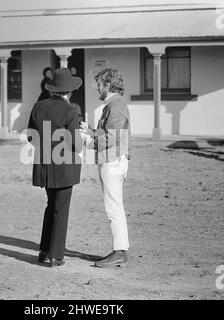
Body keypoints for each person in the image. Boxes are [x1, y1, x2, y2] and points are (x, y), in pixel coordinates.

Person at [27, 68, 83, 267]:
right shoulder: (71, 110)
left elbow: (30, 136)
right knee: (61, 209)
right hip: (64, 167)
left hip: (44, 165)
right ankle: (56, 255)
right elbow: (77, 145)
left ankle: (44, 250)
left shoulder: (38, 107)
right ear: (69, 91)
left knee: (51, 207)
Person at [80, 68, 131, 268]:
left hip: (112, 161)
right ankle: (120, 250)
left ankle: (120, 252)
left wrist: (88, 141)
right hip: (112, 159)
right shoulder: (113, 104)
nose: (98, 89)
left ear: (108, 85)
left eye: (100, 84)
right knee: (114, 206)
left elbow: (112, 137)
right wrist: (91, 131)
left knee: (113, 208)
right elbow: (108, 132)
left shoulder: (116, 105)